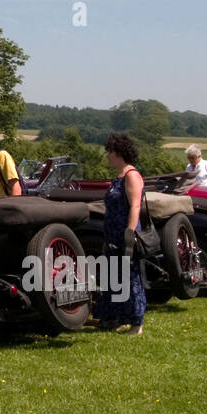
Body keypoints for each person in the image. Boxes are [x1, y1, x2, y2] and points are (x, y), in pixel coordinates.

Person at [91, 133, 146, 336]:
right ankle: (120, 317)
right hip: (112, 234)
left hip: (125, 233)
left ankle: (136, 323)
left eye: (110, 153)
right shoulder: (119, 176)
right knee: (114, 277)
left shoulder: (132, 175)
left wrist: (129, 234)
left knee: (130, 278)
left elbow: (135, 205)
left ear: (119, 153)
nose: (107, 156)